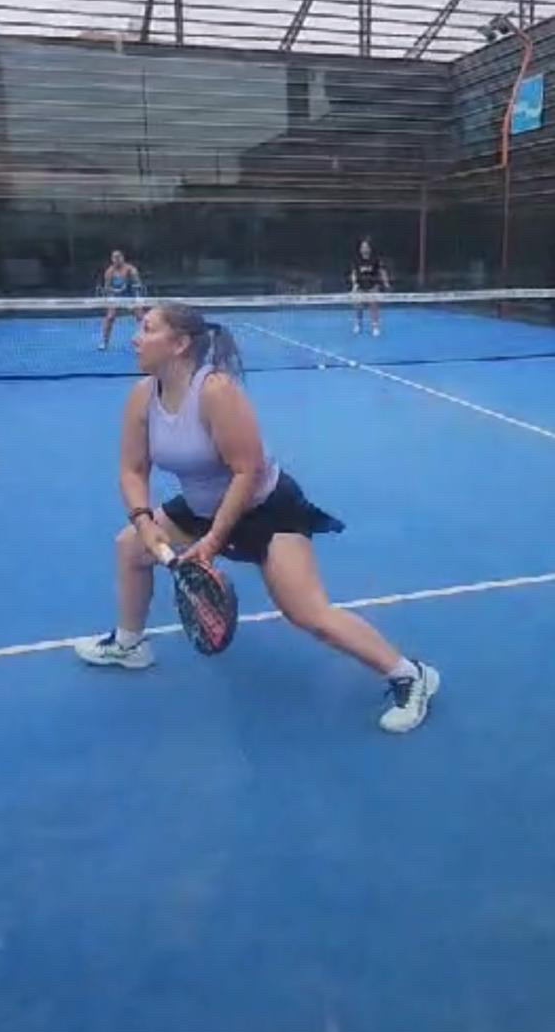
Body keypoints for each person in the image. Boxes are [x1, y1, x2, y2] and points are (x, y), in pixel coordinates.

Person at [76, 302, 439, 733]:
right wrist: (144, 521)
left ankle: (410, 675)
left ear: (179, 343)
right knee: (130, 547)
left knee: (309, 614)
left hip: (266, 509)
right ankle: (129, 645)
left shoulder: (215, 391)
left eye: (148, 329)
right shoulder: (142, 397)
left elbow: (247, 471)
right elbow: (132, 470)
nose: (135, 338)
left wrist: (214, 541)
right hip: (201, 507)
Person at [98, 249, 144, 351]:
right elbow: (107, 289)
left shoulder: (131, 270)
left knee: (141, 317)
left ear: (123, 258)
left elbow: (138, 285)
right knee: (110, 317)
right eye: (114, 257)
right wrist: (115, 292)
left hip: (130, 296)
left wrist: (136, 300)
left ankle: (143, 342)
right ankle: (104, 342)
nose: (117, 259)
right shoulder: (109, 272)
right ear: (112, 259)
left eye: (118, 257)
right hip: (115, 297)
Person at [350, 238, 390, 336]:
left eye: (366, 247)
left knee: (374, 306)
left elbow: (382, 271)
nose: (364, 249)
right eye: (362, 247)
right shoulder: (356, 260)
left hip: (373, 286)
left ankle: (375, 327)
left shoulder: (375, 259)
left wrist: (386, 283)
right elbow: (354, 273)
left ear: (369, 249)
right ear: (360, 249)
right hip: (360, 286)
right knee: (358, 306)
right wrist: (354, 284)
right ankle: (358, 324)